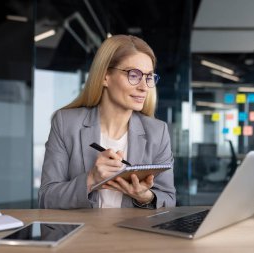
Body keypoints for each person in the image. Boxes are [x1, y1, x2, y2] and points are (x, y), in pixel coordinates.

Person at [38, 35, 176, 209]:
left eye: (148, 77)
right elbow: (46, 199)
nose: (144, 87)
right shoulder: (66, 123)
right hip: (80, 234)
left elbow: (169, 200)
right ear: (105, 76)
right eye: (134, 75)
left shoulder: (158, 131)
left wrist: (145, 197)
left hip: (134, 235)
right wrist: (91, 179)